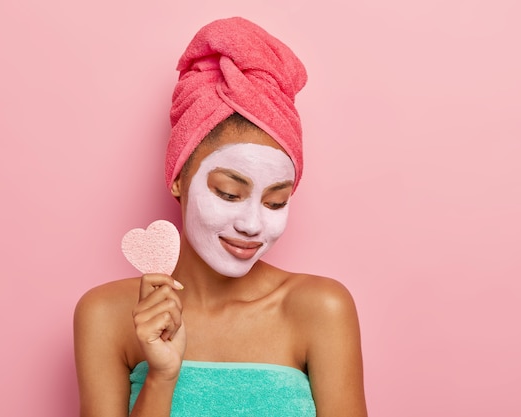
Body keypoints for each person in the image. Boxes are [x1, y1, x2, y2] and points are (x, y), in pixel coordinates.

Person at [74, 17, 367, 417]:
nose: (252, 225)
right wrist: (162, 376)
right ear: (178, 178)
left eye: (276, 202)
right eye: (229, 193)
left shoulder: (320, 309)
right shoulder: (106, 315)